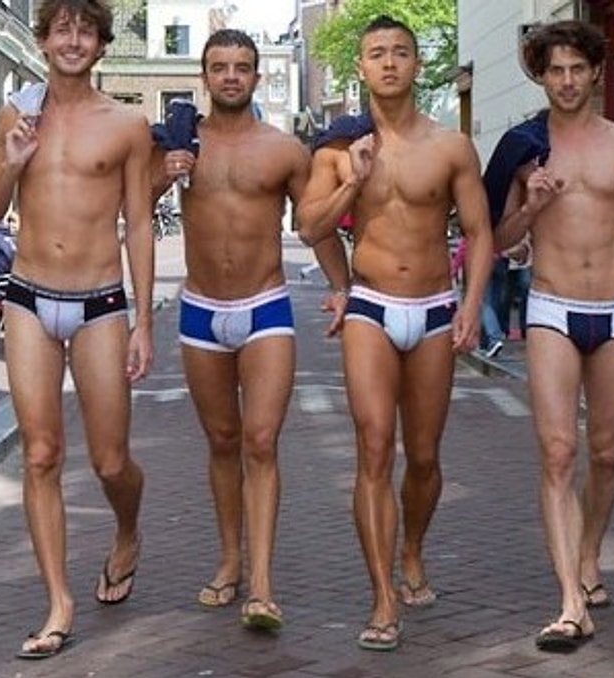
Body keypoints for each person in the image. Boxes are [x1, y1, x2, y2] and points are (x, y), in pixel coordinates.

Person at [487, 20, 614, 653]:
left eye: (577, 68)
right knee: (558, 453)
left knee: (605, 453)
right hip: (551, 305)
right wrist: (531, 205)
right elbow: (499, 240)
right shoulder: (524, 148)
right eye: (556, 70)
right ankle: (571, 604)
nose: (567, 80)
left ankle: (589, 554)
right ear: (541, 76)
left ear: (597, 72)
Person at [296, 15, 493, 652]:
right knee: (375, 447)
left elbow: (480, 232)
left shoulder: (451, 147)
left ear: (416, 64)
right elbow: (310, 228)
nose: (388, 63)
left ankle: (412, 549)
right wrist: (354, 179)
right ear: (360, 67)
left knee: (425, 456)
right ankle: (382, 595)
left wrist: (472, 306)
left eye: (400, 53)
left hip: (434, 307)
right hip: (371, 307)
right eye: (376, 53)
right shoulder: (336, 151)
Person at [0, 0, 155, 661]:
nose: (73, 40)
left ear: (101, 45)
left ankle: (127, 529)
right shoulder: (17, 115)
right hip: (28, 298)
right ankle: (59, 602)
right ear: (43, 41)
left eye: (85, 30)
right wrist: (12, 162)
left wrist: (143, 320)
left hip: (100, 302)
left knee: (110, 461)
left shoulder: (127, 125)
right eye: (62, 29)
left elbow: (139, 222)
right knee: (41, 454)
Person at [156, 28, 346, 632]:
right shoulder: (180, 143)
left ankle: (261, 583)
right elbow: (130, 201)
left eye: (242, 67)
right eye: (220, 67)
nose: (231, 76)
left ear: (258, 77)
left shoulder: (284, 150)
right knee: (221, 441)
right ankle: (229, 559)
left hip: (266, 307)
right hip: (200, 309)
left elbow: (314, 224)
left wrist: (342, 286)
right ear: (205, 77)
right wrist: (164, 174)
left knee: (261, 442)